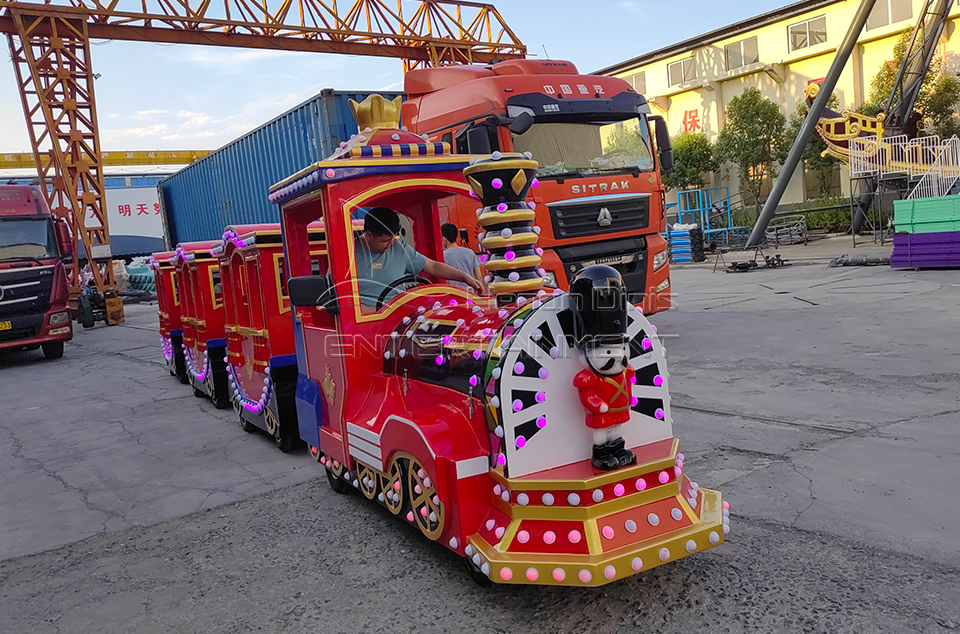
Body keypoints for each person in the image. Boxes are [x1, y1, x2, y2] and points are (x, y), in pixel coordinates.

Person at [355, 207, 483, 308]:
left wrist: (465, 277)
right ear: (369, 235)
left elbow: (432, 266)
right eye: (385, 241)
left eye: (393, 238)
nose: (391, 244)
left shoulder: (399, 247)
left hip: (398, 314)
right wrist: (368, 310)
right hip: (367, 320)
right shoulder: (350, 253)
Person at [440, 223, 488, 295]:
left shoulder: (443, 256)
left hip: (453, 296)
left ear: (444, 239)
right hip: (470, 295)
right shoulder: (470, 252)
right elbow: (479, 277)